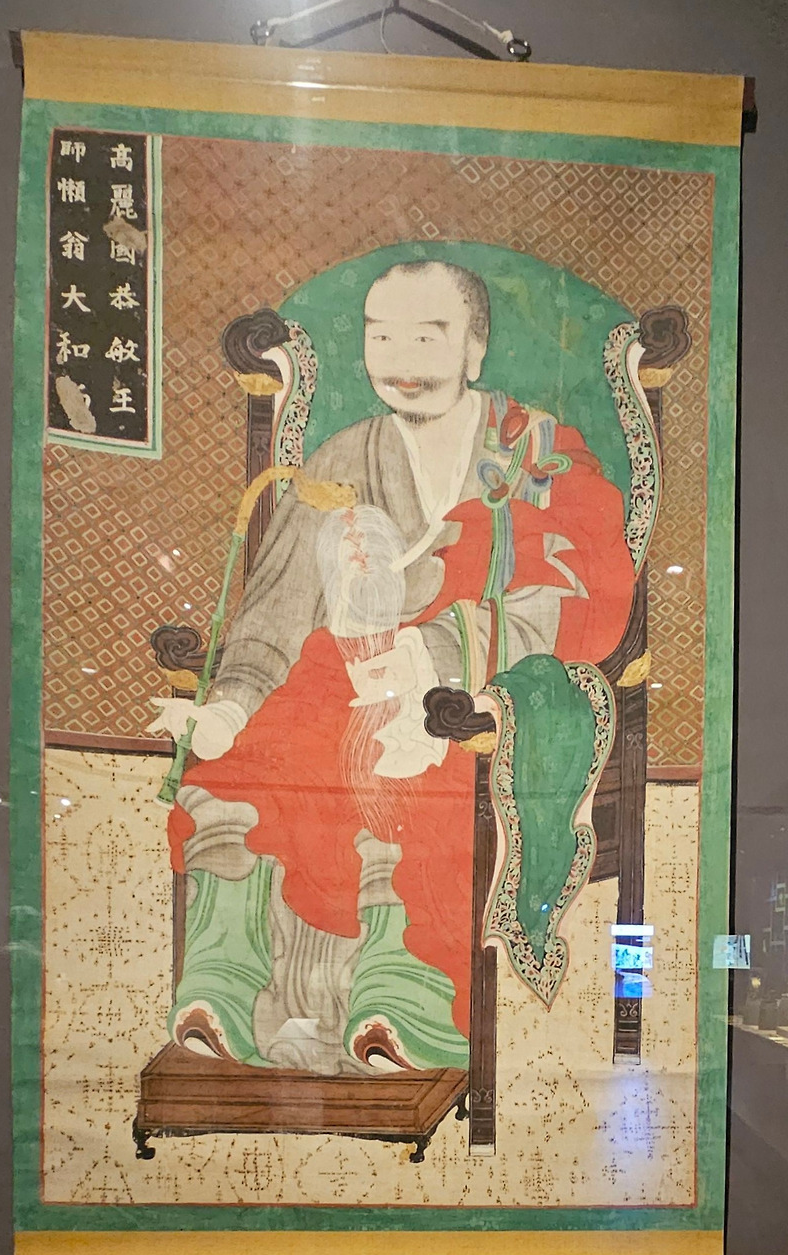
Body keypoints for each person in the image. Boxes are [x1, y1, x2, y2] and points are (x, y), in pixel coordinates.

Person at [147, 260, 636, 1075]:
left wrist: (437, 651)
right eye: (381, 337)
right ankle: (227, 989)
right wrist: (226, 707)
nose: (400, 358)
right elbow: (276, 609)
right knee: (242, 766)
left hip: (463, 691)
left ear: (475, 348)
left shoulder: (538, 453)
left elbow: (584, 594)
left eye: (427, 336)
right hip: (340, 680)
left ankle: (404, 999)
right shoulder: (342, 456)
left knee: (413, 769)